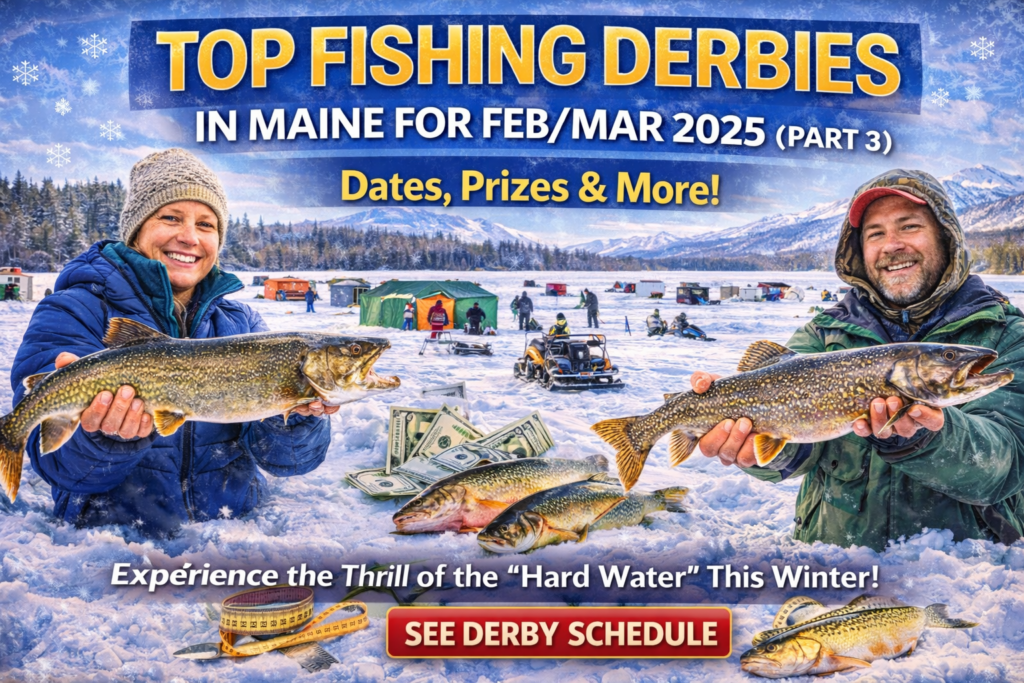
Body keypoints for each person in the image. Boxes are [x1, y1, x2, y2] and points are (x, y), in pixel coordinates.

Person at [692, 169, 1024, 551]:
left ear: (946, 238)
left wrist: (930, 438)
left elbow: (1009, 463)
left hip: (968, 575)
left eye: (909, 226)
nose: (891, 245)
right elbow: (803, 449)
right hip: (839, 566)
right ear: (859, 251)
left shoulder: (1007, 335)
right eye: (875, 234)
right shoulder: (823, 336)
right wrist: (761, 451)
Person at [10, 148, 336, 536]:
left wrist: (295, 417)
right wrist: (105, 441)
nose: (189, 237)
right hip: (112, 553)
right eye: (170, 217)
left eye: (206, 224)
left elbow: (288, 464)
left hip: (230, 543)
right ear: (136, 229)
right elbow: (59, 467)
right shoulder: (74, 310)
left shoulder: (243, 324)